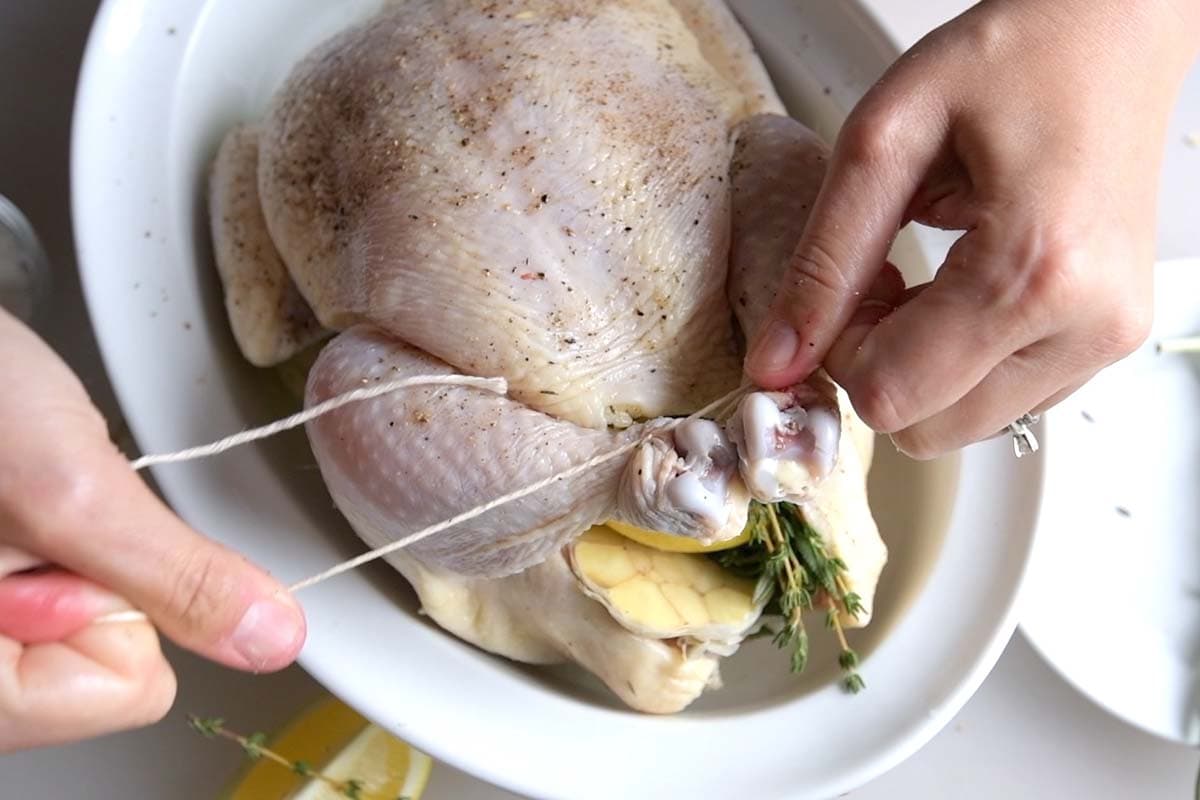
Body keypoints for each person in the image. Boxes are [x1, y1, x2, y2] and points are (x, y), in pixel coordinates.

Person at [2, 0, 1196, 752]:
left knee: (764, 149)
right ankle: (622, 476)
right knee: (314, 358)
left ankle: (655, 467)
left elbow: (770, 145)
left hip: (569, 105)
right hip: (349, 146)